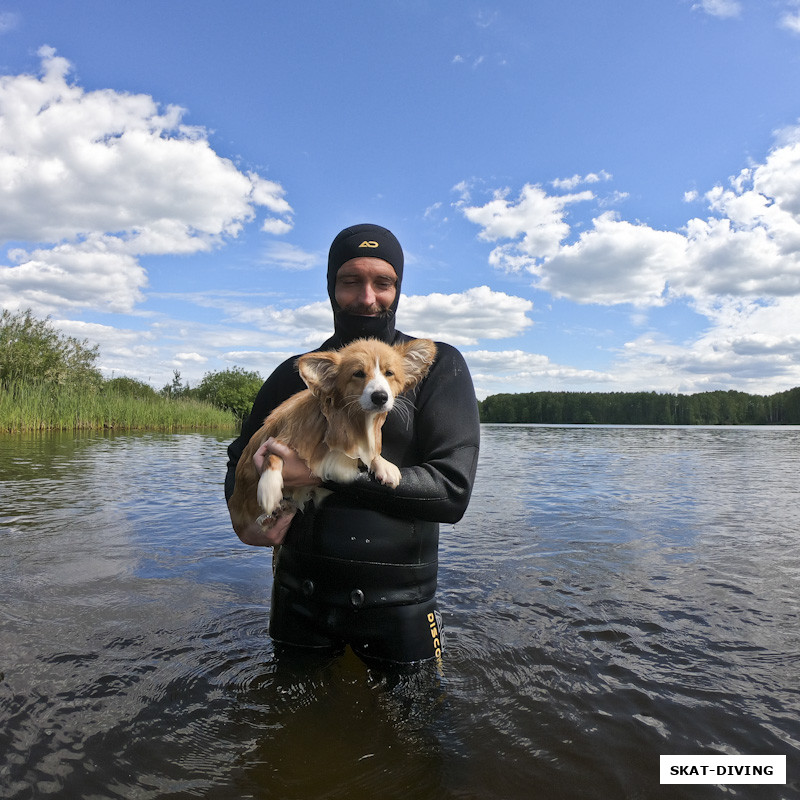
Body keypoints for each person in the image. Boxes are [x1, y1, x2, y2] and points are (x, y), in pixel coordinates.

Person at [225, 223, 480, 666]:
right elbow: (239, 457)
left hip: (401, 602)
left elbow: (452, 492)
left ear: (398, 289)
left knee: (423, 730)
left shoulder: (437, 367)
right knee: (285, 723)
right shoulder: (296, 372)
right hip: (299, 596)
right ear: (331, 288)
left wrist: (326, 475)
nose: (367, 297)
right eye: (350, 281)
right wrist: (241, 519)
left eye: (383, 282)